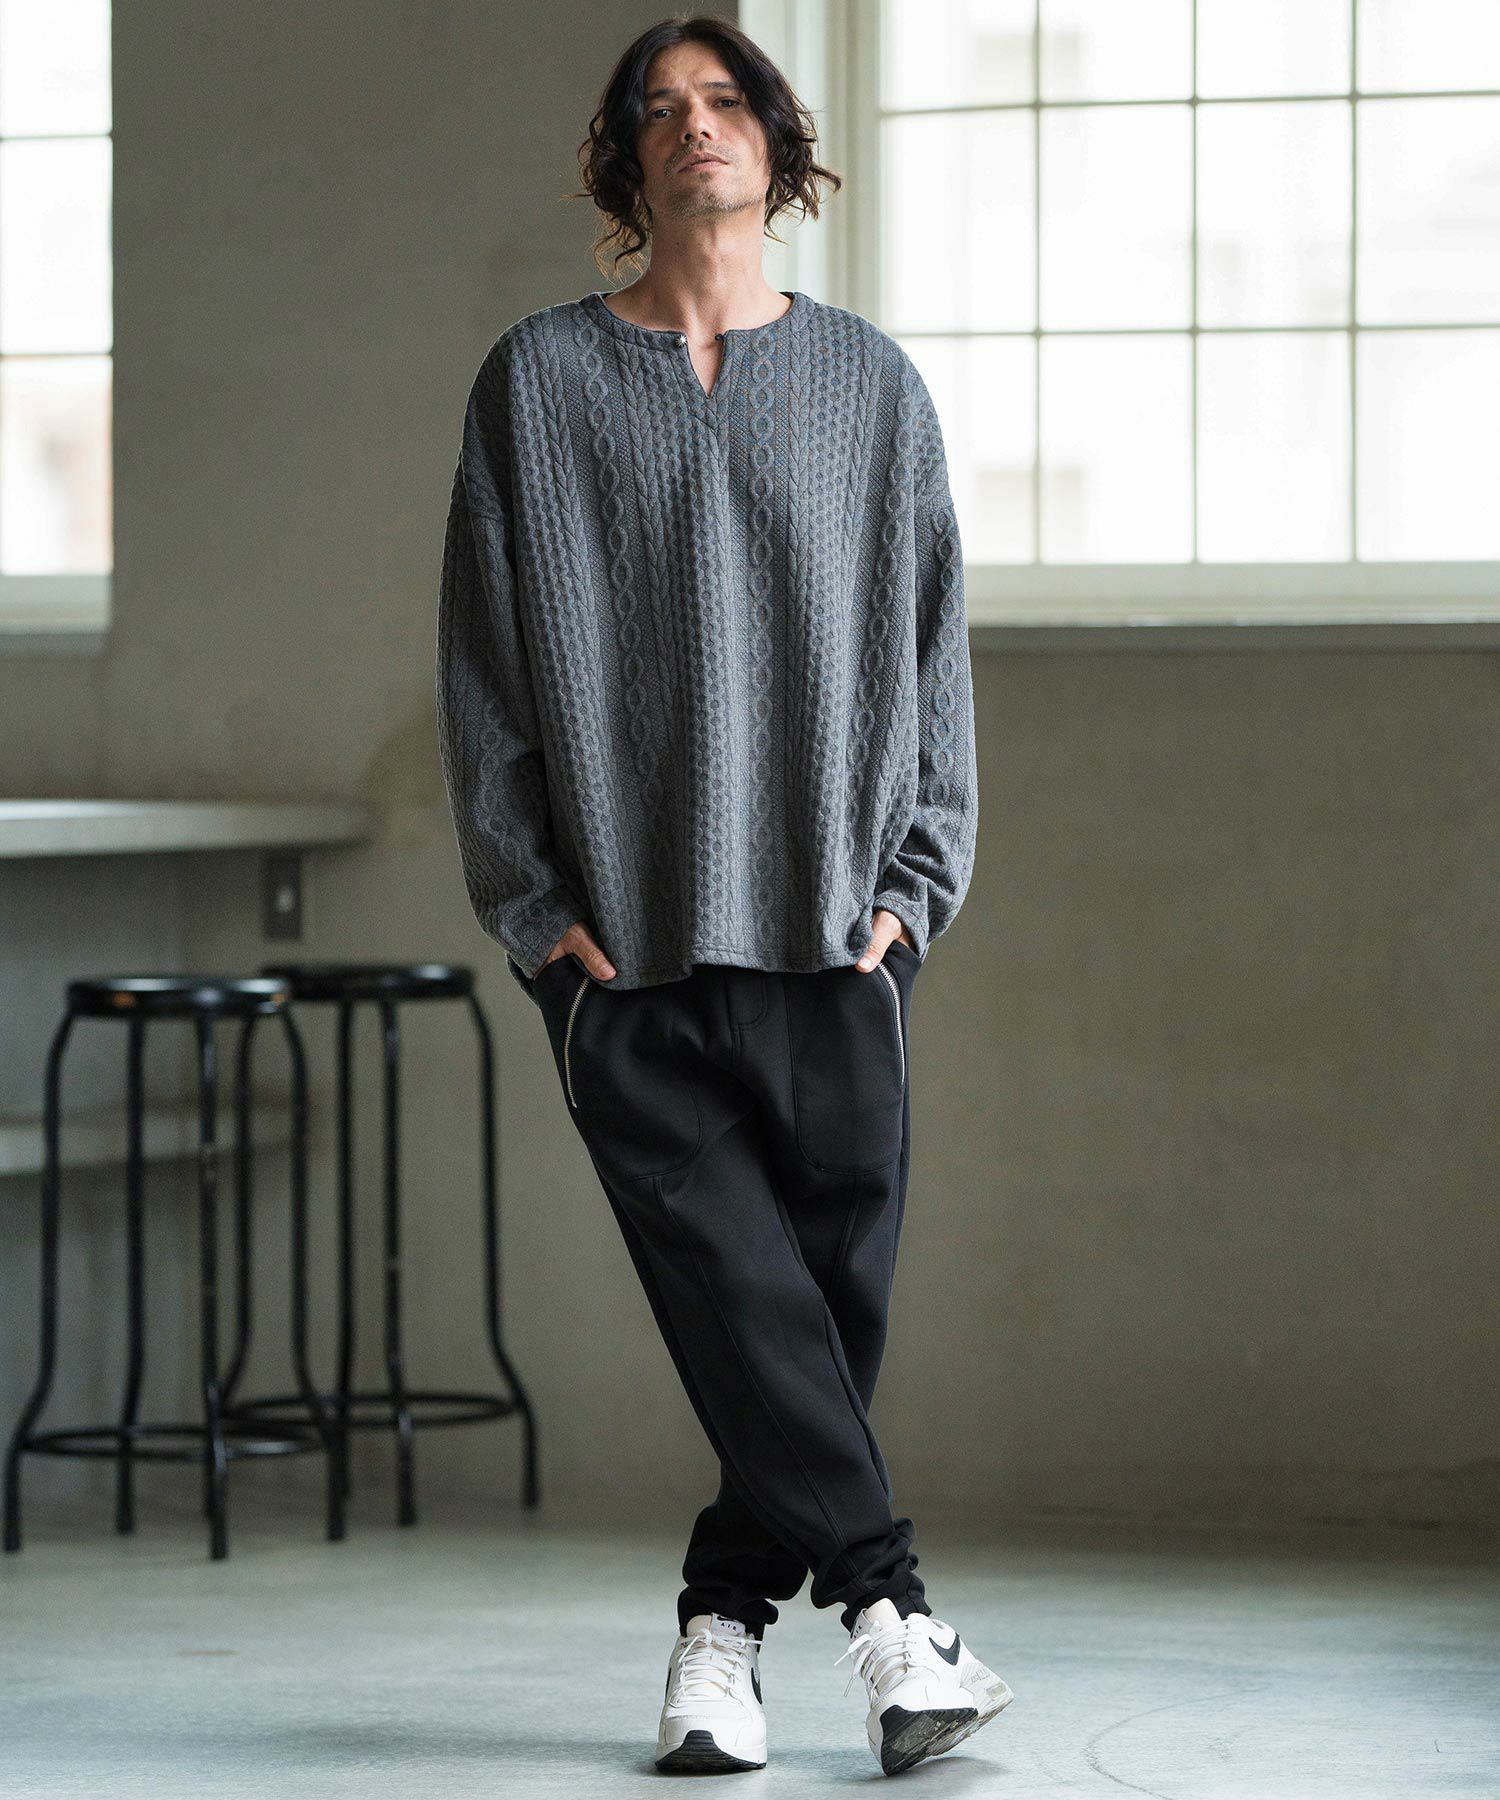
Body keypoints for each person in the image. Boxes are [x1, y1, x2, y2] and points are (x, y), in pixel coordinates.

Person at [434, 12, 1011, 1779]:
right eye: (661, 109)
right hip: (629, 956)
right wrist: (538, 924)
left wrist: (913, 893)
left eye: (726, 100)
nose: (697, 126)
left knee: (807, 1330)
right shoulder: (536, 384)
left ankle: (721, 1639)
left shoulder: (871, 388)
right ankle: (896, 1624)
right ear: (627, 157)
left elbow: (933, 656)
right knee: (743, 1309)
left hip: (839, 944)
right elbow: (484, 672)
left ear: (776, 140)